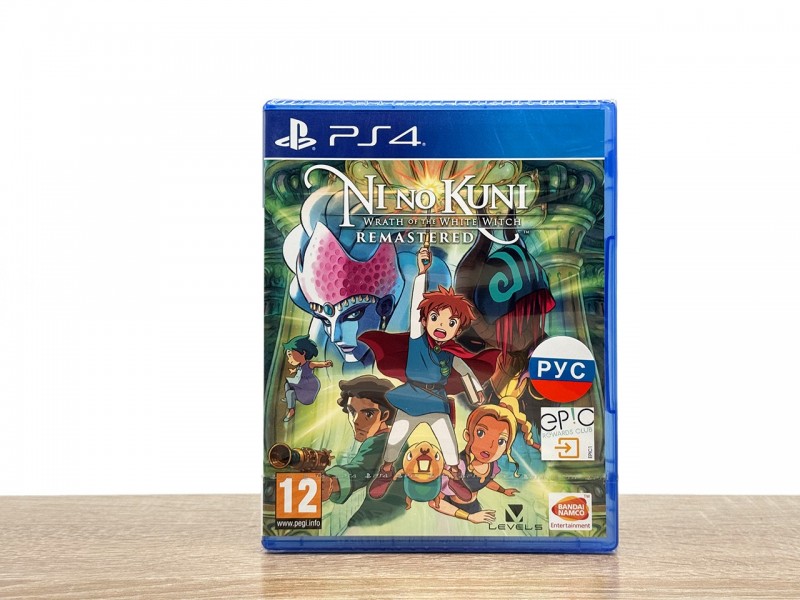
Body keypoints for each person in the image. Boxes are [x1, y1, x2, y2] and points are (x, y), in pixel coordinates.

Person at [361, 247, 500, 502]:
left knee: (448, 442)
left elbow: (466, 372)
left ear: (458, 329)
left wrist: (476, 393)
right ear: (425, 321)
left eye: (451, 323)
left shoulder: (451, 352)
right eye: (436, 318)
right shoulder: (418, 340)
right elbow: (417, 307)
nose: (442, 326)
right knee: (395, 439)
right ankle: (386, 471)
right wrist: (421, 274)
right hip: (412, 397)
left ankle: (454, 475)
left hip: (436, 401)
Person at [429, 397, 540, 524]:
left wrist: (503, 491)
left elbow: (486, 481)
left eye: (501, 441)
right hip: (452, 515)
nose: (490, 446)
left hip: (474, 509)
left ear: (506, 449)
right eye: (481, 433)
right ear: (468, 435)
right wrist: (468, 517)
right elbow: (434, 502)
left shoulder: (491, 465)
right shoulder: (456, 466)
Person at [319, 375, 407, 527]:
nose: (356, 421)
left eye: (368, 414)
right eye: (352, 412)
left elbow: (361, 469)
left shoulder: (381, 441)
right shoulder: (394, 438)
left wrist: (332, 483)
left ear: (385, 415)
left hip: (376, 519)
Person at [281, 335, 332, 422]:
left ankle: (291, 411)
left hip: (308, 388)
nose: (289, 359)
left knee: (290, 391)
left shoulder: (309, 364)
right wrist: (294, 370)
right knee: (288, 385)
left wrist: (325, 364)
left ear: (303, 353)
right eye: (288, 356)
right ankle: (289, 398)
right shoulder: (300, 365)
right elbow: (299, 370)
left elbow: (317, 364)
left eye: (290, 355)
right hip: (302, 385)